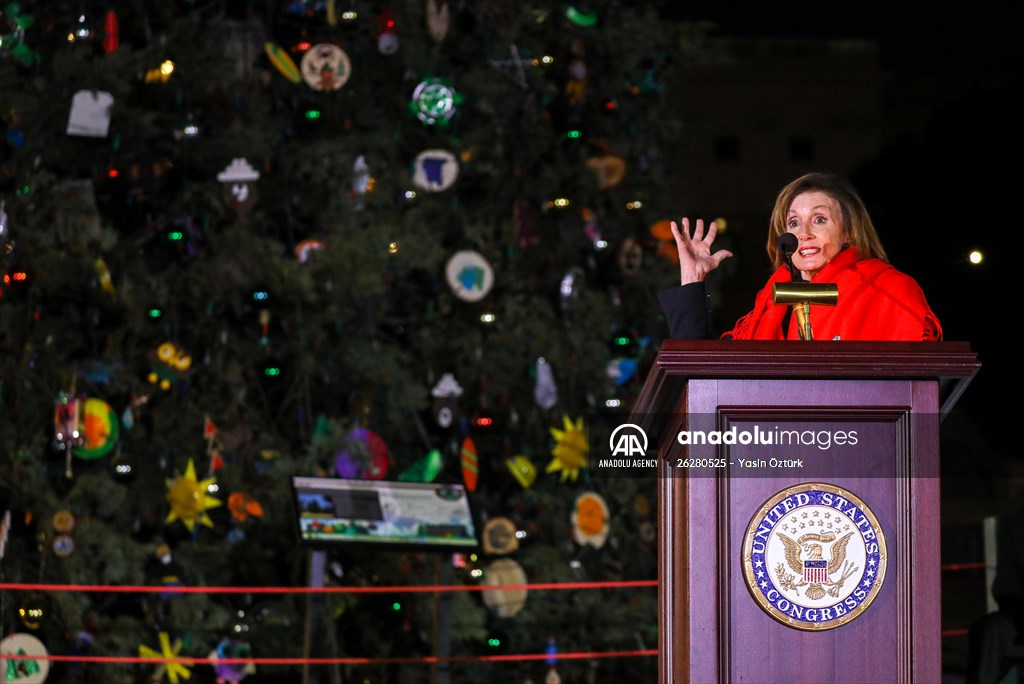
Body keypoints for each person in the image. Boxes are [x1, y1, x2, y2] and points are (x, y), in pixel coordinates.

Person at [658, 172, 942, 341]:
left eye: (819, 220)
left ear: (849, 232)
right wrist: (692, 278)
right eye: (793, 223)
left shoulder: (888, 289)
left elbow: (920, 380)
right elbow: (703, 377)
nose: (803, 233)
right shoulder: (770, 302)